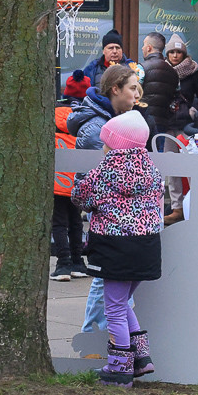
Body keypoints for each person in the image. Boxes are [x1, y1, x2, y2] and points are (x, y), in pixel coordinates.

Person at [71, 110, 162, 387]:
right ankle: (142, 358)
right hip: (146, 245)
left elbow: (80, 197)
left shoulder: (104, 171)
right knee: (122, 303)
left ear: (116, 144)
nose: (103, 147)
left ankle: (120, 368)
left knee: (113, 309)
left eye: (106, 142)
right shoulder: (151, 168)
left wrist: (81, 184)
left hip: (115, 245)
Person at [67, 64, 147, 331]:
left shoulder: (113, 120)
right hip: (110, 217)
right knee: (107, 280)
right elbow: (105, 180)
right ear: (115, 89)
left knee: (113, 283)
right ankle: (94, 337)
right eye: (132, 88)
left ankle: (112, 341)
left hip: (114, 215)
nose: (137, 95)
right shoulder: (98, 128)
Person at [164, 34, 198, 226]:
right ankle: (177, 208)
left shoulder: (192, 72)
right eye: (172, 51)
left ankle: (195, 206)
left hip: (186, 127)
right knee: (171, 168)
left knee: (191, 166)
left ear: (184, 53)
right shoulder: (161, 71)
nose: (175, 55)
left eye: (178, 52)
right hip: (167, 126)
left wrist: (194, 110)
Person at [51, 105, 88, 281]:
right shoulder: (78, 138)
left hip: (56, 187)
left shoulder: (51, 138)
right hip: (74, 187)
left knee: (59, 224)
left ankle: (63, 263)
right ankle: (77, 262)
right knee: (76, 222)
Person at [139, 32, 178, 141]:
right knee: (158, 153)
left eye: (144, 45)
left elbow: (134, 94)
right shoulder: (173, 72)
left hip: (142, 121)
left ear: (149, 48)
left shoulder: (141, 69)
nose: (142, 48)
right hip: (164, 122)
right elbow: (176, 96)